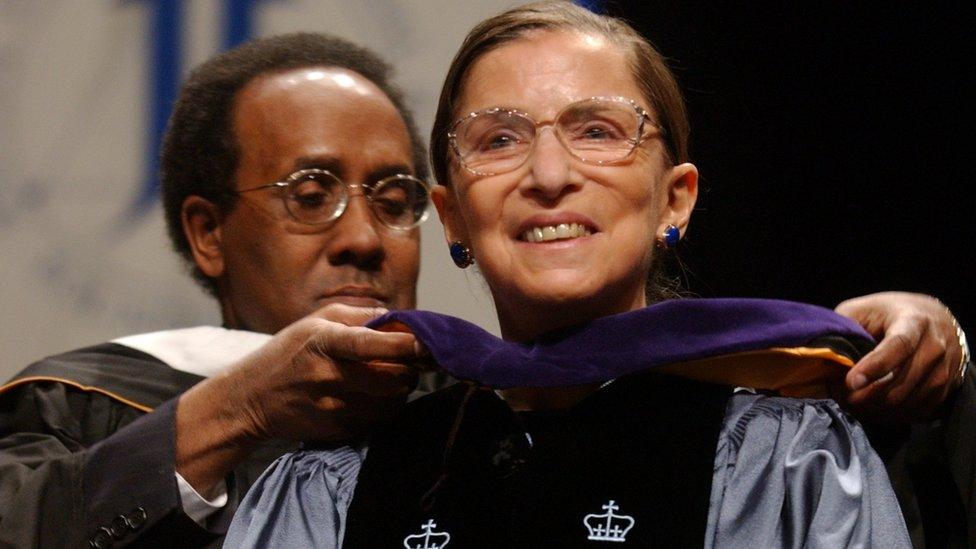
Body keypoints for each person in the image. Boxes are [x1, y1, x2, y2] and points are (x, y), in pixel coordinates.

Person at [0, 27, 967, 549]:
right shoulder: (308, 464)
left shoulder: (796, 437)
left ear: (676, 197)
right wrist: (246, 404)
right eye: (310, 194)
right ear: (459, 210)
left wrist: (926, 349)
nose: (360, 237)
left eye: (597, 129)